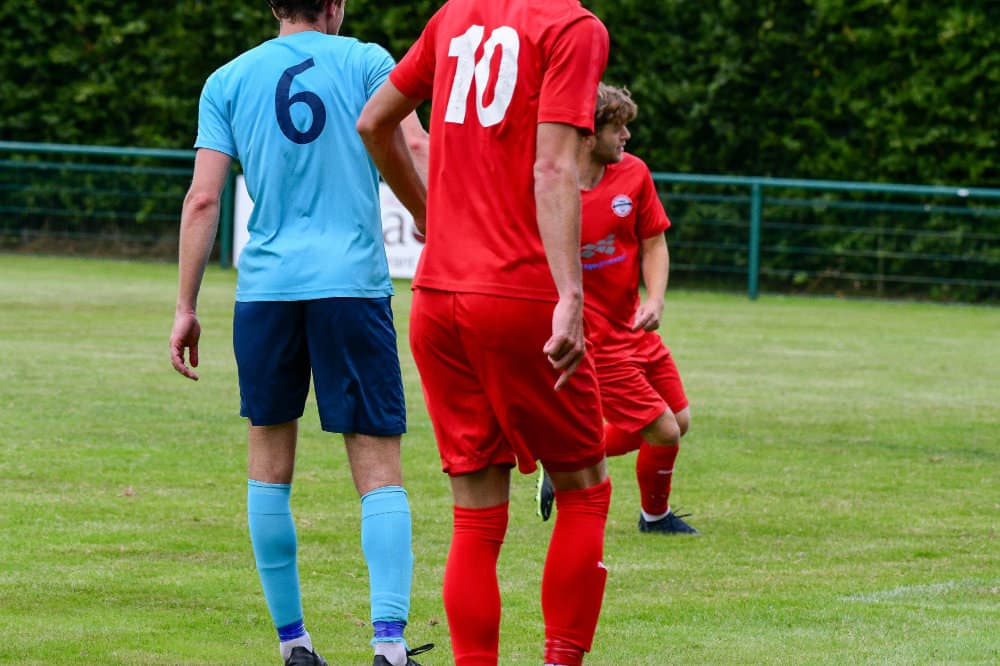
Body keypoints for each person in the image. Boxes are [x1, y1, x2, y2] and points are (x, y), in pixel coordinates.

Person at [169, 2, 430, 665]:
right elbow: (419, 148)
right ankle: (389, 644)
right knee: (378, 466)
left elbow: (203, 198)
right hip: (352, 286)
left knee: (269, 466)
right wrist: (432, 217)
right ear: (335, 3)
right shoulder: (369, 62)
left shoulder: (228, 79)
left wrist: (185, 305)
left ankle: (294, 644)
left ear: (273, 4)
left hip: (266, 291)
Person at [357, 1, 611, 664]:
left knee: (476, 516)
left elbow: (374, 122)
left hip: (438, 299)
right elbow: (552, 167)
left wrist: (428, 215)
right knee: (585, 489)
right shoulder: (572, 27)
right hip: (518, 293)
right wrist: (571, 294)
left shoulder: (453, 16)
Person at [537, 83, 696, 535]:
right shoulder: (551, 188)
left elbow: (654, 242)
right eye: (617, 128)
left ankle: (560, 458)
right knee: (664, 431)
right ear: (588, 135)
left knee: (679, 420)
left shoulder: (634, 174)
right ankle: (655, 518)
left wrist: (656, 299)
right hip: (594, 341)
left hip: (634, 328)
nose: (626, 136)